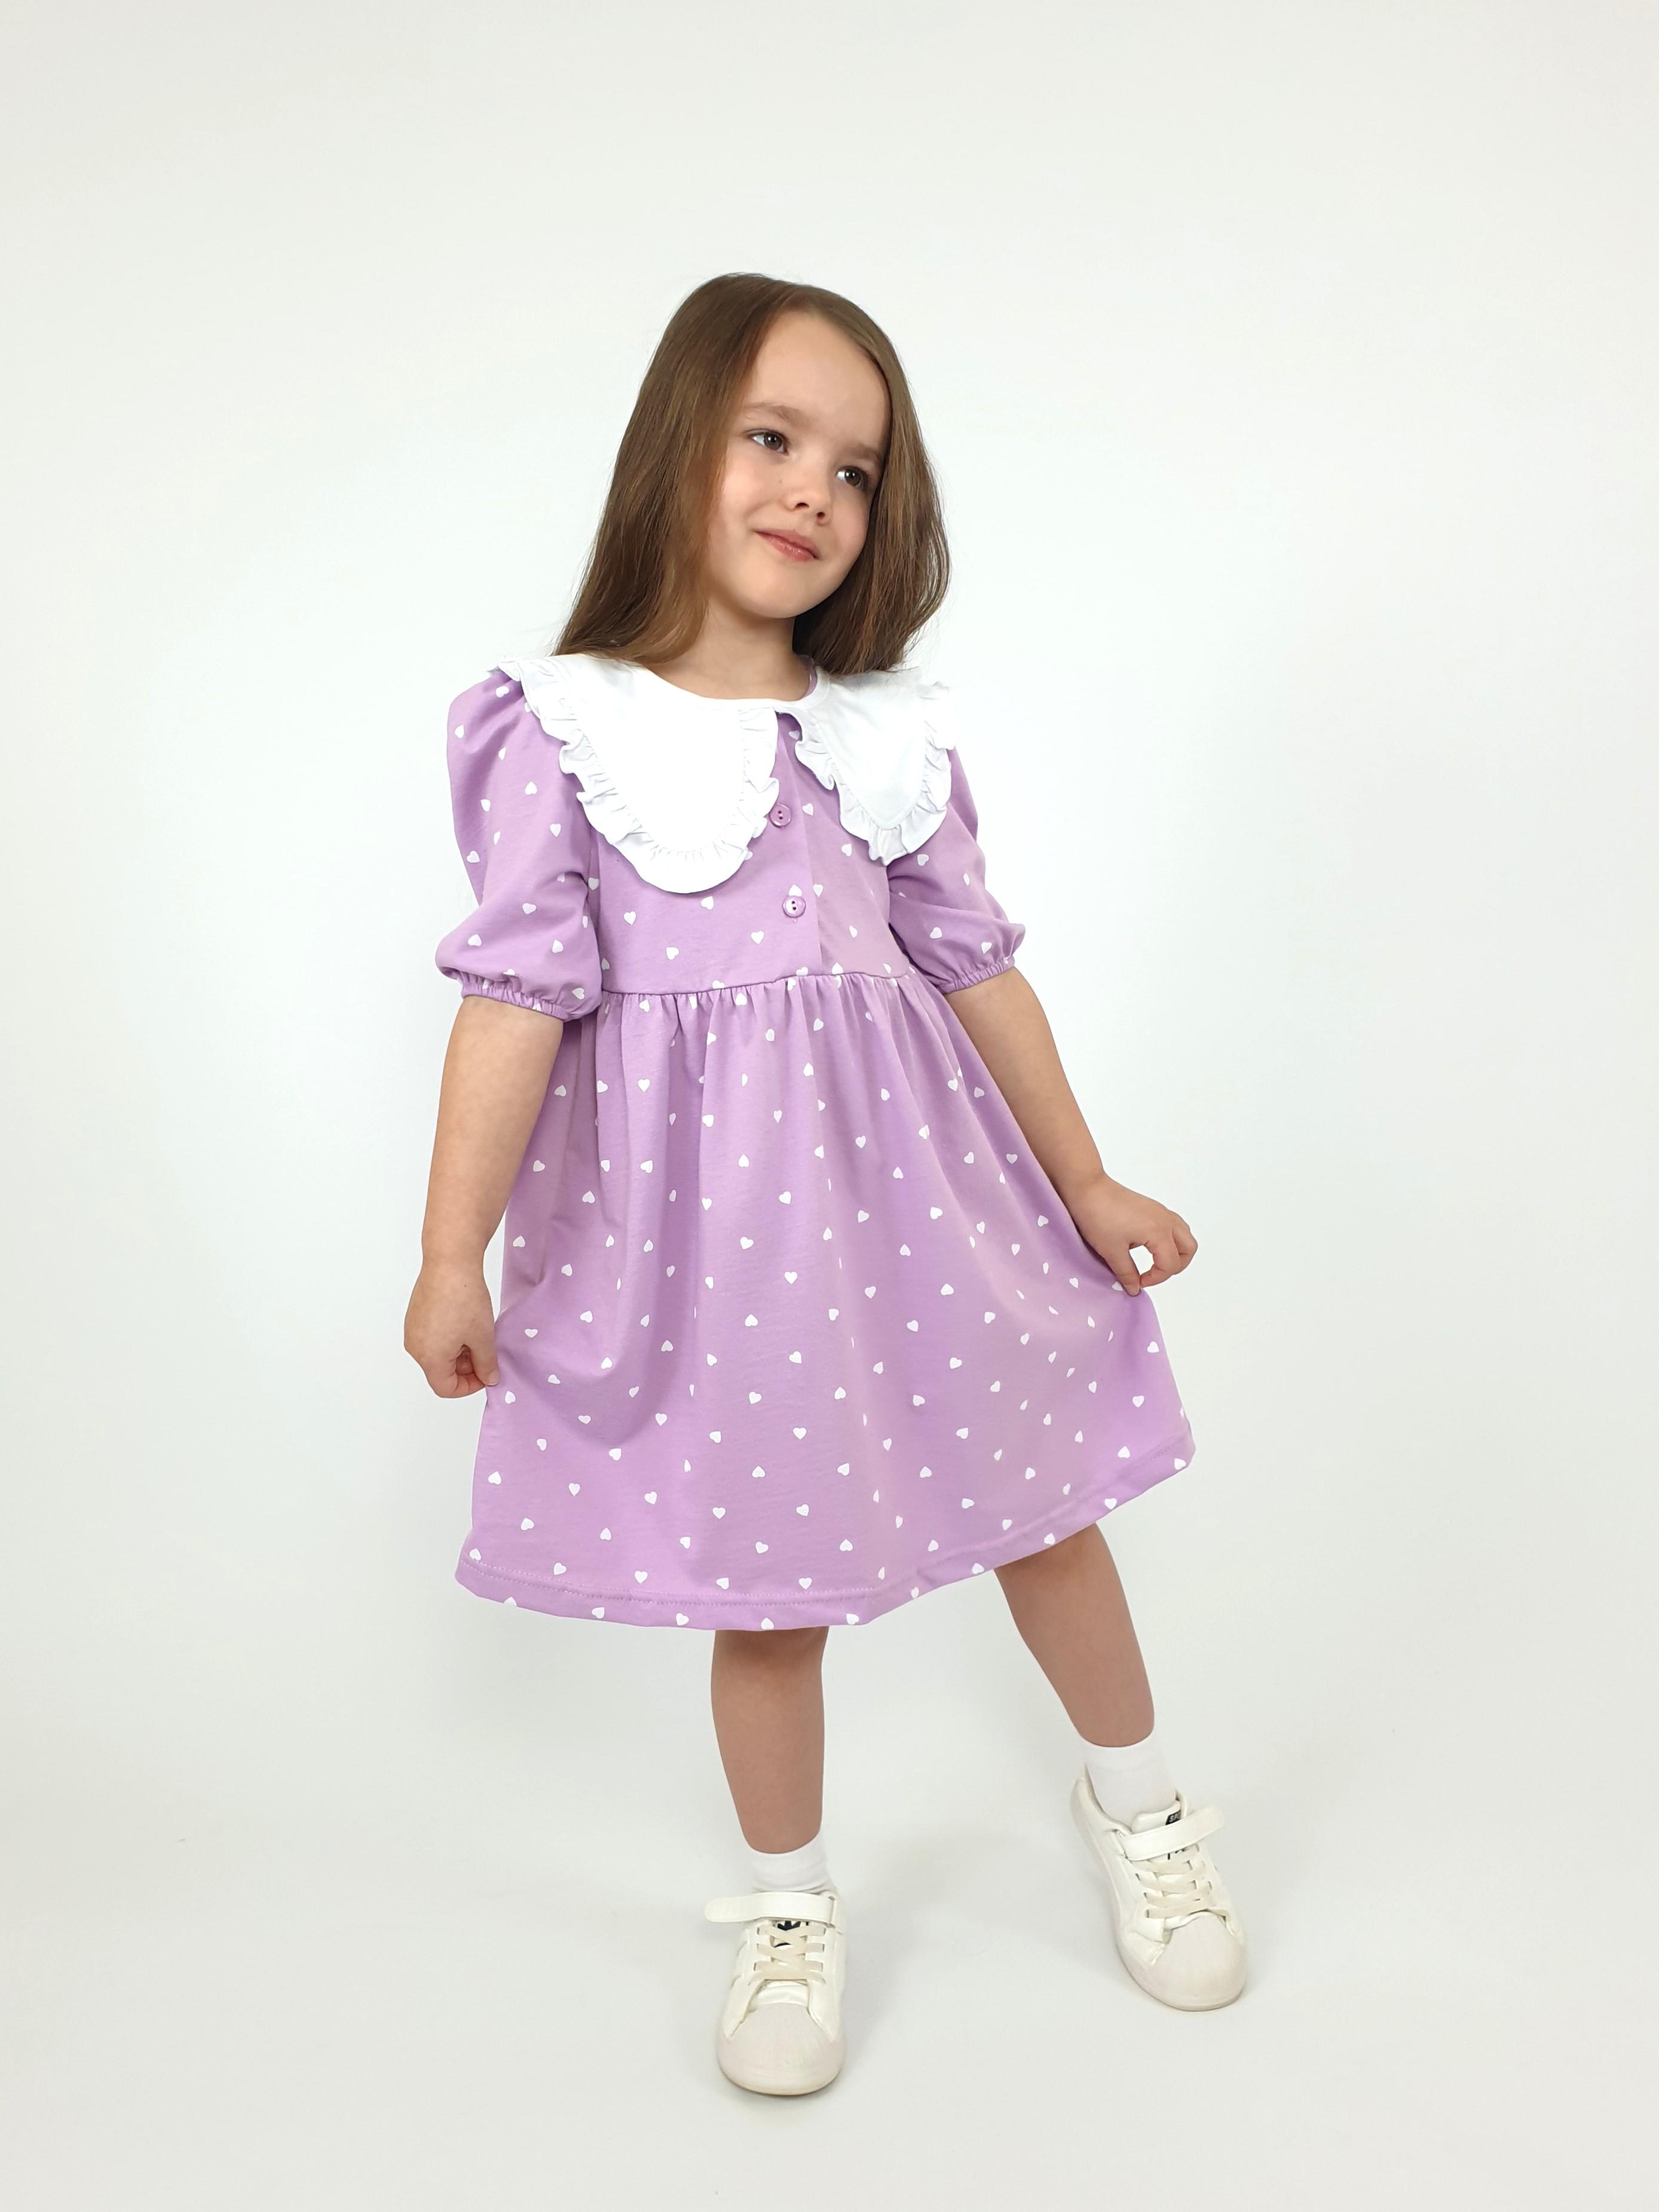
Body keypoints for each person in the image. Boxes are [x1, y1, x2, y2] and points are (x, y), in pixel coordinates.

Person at [404, 272, 1247, 2098]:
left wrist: (1087, 1179)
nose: (813, 490)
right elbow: (516, 997)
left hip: (931, 1215)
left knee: (1047, 1515)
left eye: (856, 469)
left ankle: (1143, 1806)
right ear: (676, 448)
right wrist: (449, 1251)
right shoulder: (560, 726)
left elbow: (976, 970)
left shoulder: (881, 735)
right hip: (717, 1255)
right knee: (769, 1592)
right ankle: (789, 1906)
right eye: (772, 439)